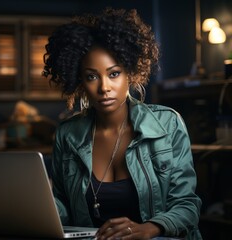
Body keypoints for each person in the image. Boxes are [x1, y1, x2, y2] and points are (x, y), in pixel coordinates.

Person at [43, 8, 202, 240]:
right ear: (79, 81)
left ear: (131, 72)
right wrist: (31, 205)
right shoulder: (68, 135)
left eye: (114, 74)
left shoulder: (166, 124)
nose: (104, 87)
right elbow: (64, 208)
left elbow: (187, 206)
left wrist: (149, 228)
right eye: (91, 76)